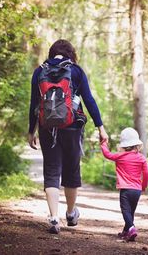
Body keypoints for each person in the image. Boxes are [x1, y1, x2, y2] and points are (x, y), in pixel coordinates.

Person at [28, 39, 108, 234]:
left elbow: (34, 103)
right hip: (73, 127)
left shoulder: (40, 71)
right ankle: (71, 214)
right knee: (72, 171)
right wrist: (101, 127)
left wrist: (32, 130)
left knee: (52, 171)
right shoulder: (76, 71)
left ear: (51, 53)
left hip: (47, 128)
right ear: (71, 54)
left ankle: (54, 218)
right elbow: (88, 100)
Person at [100, 127, 148, 241]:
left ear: (124, 145)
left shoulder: (120, 156)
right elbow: (146, 173)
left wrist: (103, 144)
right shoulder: (141, 158)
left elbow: (107, 154)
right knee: (131, 211)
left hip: (125, 189)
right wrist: (144, 186)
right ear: (137, 144)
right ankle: (126, 232)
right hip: (137, 190)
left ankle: (131, 228)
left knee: (126, 211)